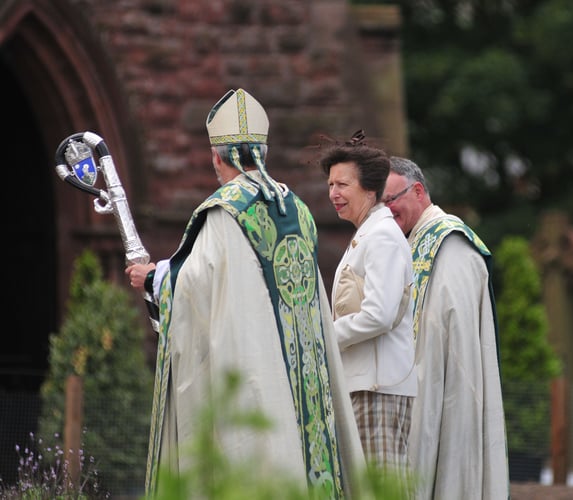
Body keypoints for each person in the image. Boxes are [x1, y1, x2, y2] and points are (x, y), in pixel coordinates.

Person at [125, 89, 364, 498]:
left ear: (217, 156)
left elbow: (196, 291)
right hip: (305, 383)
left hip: (257, 381)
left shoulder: (224, 211)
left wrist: (151, 279)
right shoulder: (297, 208)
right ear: (262, 152)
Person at [384, 156, 510, 500]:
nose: (386, 211)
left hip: (447, 391)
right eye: (379, 204)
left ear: (419, 191)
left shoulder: (451, 243)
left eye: (391, 200)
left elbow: (449, 336)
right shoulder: (411, 240)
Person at [318, 135, 417, 481]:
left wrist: (324, 335)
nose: (334, 194)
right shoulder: (367, 235)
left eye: (343, 184)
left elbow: (380, 314)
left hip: (379, 387)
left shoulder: (382, 236)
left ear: (370, 189)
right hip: (364, 384)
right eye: (330, 184)